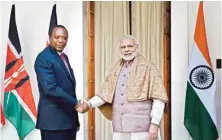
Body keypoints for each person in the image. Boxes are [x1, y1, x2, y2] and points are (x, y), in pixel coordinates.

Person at [76, 35, 168, 140]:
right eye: (123, 47)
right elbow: (105, 94)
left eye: (130, 46)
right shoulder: (116, 68)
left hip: (142, 129)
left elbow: (159, 98)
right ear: (120, 49)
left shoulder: (148, 67)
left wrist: (155, 124)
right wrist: (89, 104)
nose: (127, 49)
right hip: (120, 128)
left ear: (136, 47)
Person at [34, 25, 80, 140]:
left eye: (64, 38)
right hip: (53, 124)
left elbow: (69, 89)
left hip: (68, 123)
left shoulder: (64, 57)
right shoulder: (43, 58)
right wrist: (77, 103)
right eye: (57, 37)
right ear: (50, 38)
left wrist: (75, 121)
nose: (61, 41)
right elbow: (50, 89)